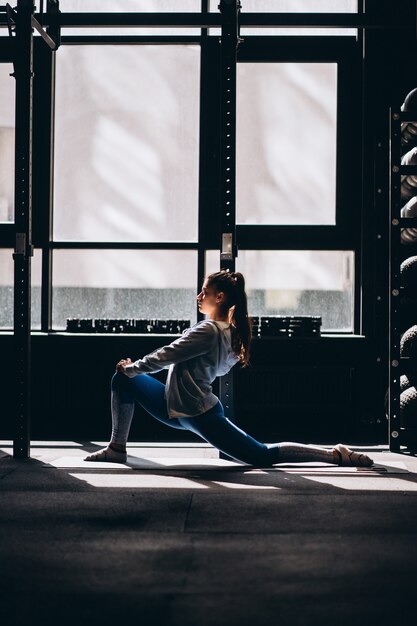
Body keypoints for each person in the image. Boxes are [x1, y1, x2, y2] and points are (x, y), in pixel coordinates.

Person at [85, 270, 374, 468]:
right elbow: (215, 369)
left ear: (220, 297)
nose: (199, 296)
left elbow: (166, 355)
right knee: (122, 381)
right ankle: (117, 449)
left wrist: (133, 367)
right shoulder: (226, 331)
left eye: (205, 291)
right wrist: (131, 373)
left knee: (261, 455)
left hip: (198, 414)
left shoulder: (209, 330)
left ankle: (335, 454)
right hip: (173, 406)